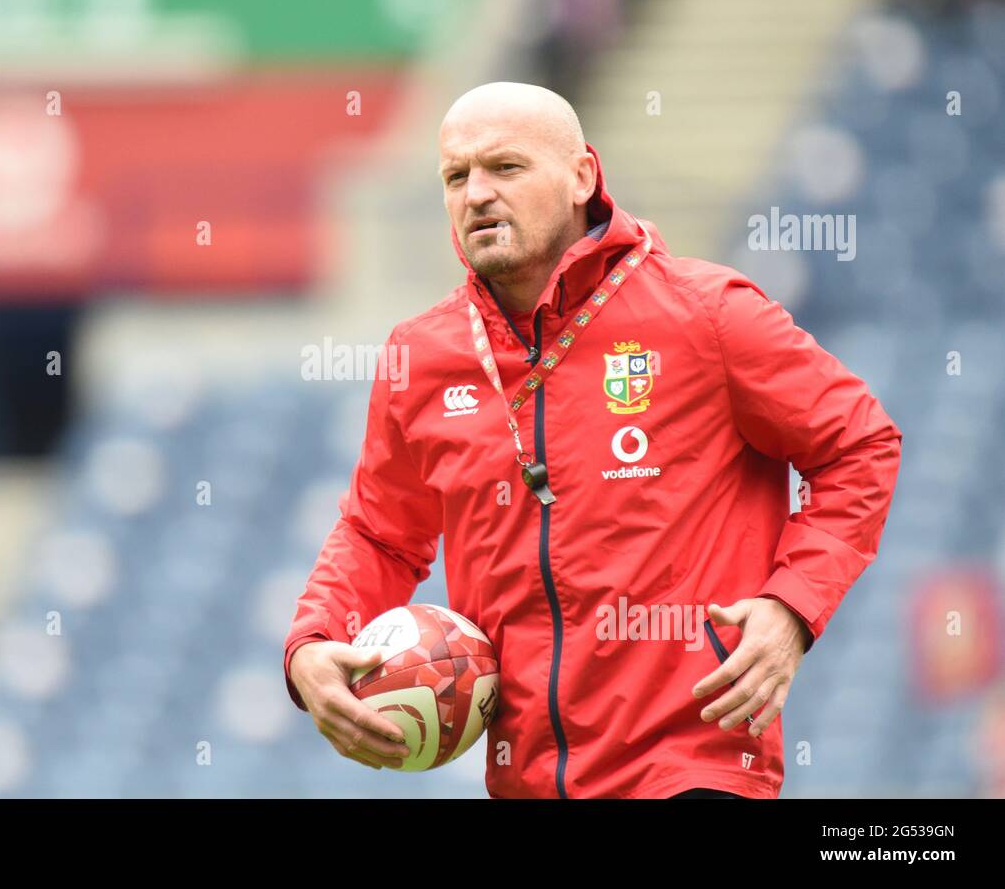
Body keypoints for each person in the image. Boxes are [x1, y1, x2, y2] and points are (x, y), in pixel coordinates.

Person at [282, 81, 903, 798]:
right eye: (456, 176)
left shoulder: (707, 315)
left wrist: (792, 605)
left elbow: (861, 444)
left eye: (505, 168)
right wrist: (315, 641)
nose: (477, 193)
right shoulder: (420, 357)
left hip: (693, 767)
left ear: (583, 176)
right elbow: (379, 533)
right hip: (527, 777)